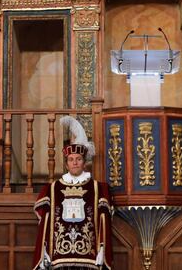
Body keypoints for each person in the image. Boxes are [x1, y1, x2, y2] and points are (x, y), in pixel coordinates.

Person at [32, 116, 113, 270]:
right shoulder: (52, 188)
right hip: (59, 256)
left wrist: (102, 249)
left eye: (78, 159)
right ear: (67, 163)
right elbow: (45, 222)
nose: (75, 162)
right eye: (71, 159)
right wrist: (44, 250)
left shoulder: (98, 188)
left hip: (89, 256)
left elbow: (104, 221)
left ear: (84, 162)